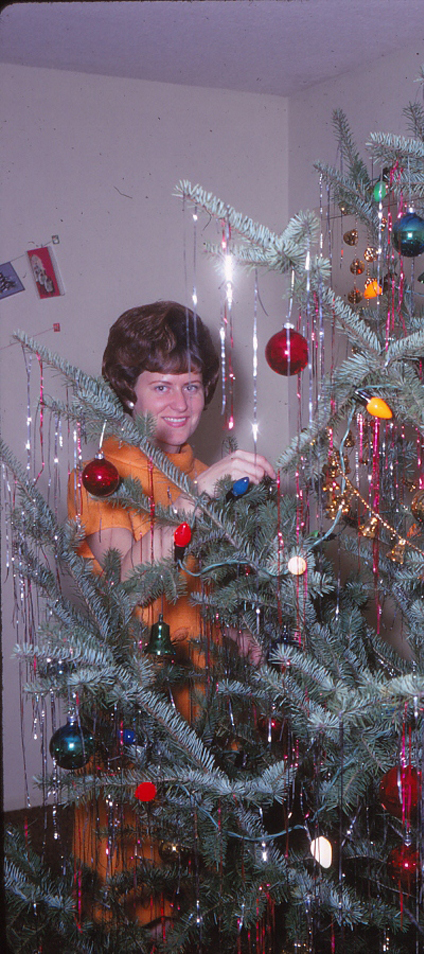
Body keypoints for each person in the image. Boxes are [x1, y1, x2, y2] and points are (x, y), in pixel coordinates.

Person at [68, 300, 275, 926]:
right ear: (128, 393)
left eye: (192, 385)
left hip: (201, 699)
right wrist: (199, 499)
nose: (181, 404)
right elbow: (126, 583)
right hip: (139, 707)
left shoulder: (193, 470)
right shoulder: (105, 474)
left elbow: (194, 588)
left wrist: (231, 631)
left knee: (198, 870)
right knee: (135, 881)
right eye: (161, 386)